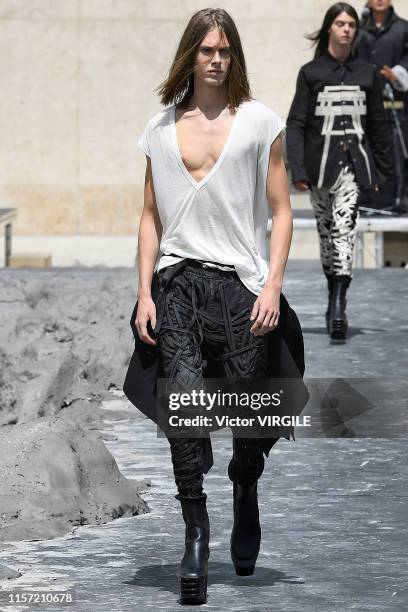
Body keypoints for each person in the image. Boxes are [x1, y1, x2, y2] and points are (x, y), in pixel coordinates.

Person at [123, 7, 307, 607]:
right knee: (184, 406)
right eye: (206, 49)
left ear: (235, 57)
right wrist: (145, 291)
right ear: (190, 55)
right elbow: (150, 216)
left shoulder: (258, 122)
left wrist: (273, 284)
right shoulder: (158, 129)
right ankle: (196, 533)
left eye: (225, 49)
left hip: (241, 286)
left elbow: (281, 211)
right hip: (176, 283)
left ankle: (245, 484)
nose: (216, 59)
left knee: (253, 413)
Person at [286, 2, 392, 343]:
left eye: (350, 24)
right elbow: (297, 123)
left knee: (344, 230)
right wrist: (298, 169)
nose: (346, 28)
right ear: (329, 28)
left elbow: (378, 125)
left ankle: (337, 306)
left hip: (353, 167)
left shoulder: (367, 73)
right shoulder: (311, 72)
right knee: (328, 235)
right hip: (319, 169)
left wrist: (383, 172)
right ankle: (333, 293)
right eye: (340, 23)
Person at [356, 0, 408, 213]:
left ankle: (400, 199)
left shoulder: (403, 28)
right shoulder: (357, 28)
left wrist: (398, 74)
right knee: (365, 148)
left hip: (397, 104)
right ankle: (368, 198)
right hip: (364, 103)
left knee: (398, 148)